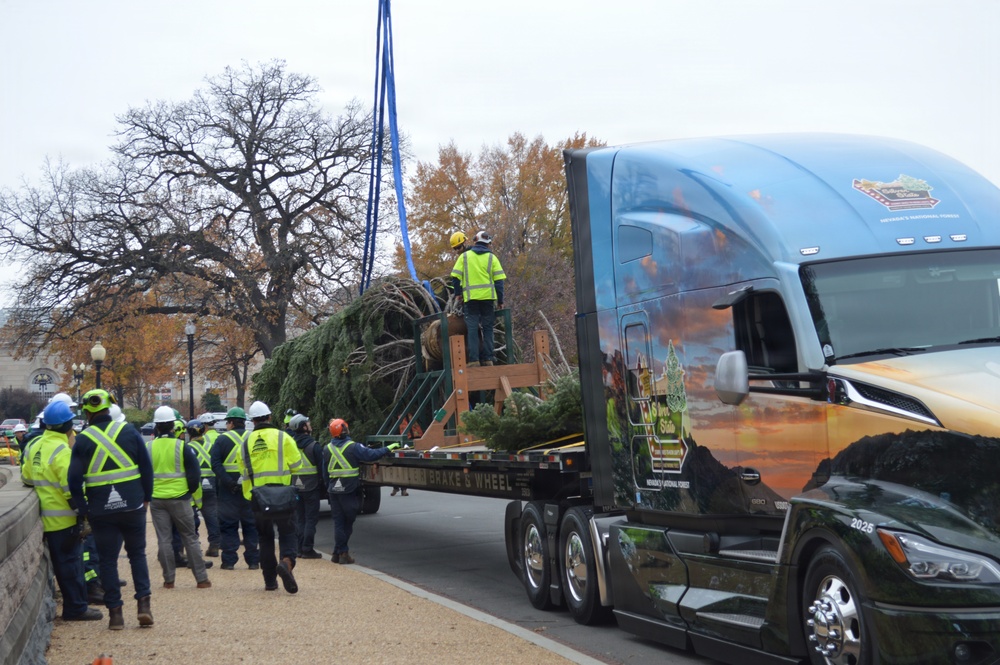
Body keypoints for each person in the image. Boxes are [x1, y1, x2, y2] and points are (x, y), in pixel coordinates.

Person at [68, 388, 154, 630]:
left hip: (101, 509)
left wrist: (84, 508)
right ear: (110, 406)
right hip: (133, 505)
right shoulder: (129, 431)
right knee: (137, 555)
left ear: (87, 411)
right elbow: (146, 468)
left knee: (107, 560)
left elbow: (73, 481)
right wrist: (146, 497)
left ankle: (116, 614)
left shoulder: (82, 439)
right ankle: (144, 605)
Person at [29, 400, 103, 622]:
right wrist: (84, 512)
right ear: (67, 426)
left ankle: (76, 606)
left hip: (46, 518)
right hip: (64, 521)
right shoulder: (62, 451)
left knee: (64, 565)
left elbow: (26, 477)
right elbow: (72, 489)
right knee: (71, 566)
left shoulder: (34, 446)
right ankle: (76, 609)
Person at [239, 401, 301, 593]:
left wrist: (250, 496)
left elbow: (243, 473)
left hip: (259, 498)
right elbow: (297, 465)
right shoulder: (283, 437)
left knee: (265, 538)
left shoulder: (245, 443)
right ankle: (286, 562)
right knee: (288, 533)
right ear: (269, 417)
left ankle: (270, 581)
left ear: (252, 421)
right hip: (283, 496)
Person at [147, 406, 211, 590]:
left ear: (156, 426)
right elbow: (194, 474)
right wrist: (189, 492)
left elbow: (143, 473)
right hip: (181, 498)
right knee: (190, 538)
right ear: (172, 427)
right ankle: (201, 579)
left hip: (157, 499)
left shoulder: (148, 447)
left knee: (164, 539)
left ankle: (169, 580)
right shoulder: (182, 446)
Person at [319, 418, 399, 564]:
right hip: (348, 490)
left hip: (334, 491)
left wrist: (329, 487)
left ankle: (337, 552)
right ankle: (343, 552)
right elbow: (371, 455)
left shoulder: (327, 448)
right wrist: (388, 448)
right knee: (348, 521)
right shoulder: (353, 447)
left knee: (339, 522)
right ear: (344, 430)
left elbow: (325, 473)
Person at [211, 406, 260, 571]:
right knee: (250, 525)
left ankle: (229, 561)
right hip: (249, 489)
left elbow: (215, 464)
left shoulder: (222, 440)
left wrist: (228, 482)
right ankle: (253, 561)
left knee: (228, 526)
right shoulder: (252, 438)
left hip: (228, 490)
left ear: (231, 423)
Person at [450, 230, 506, 367]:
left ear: (475, 241)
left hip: (471, 300)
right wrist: (500, 301)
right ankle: (488, 359)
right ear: (488, 243)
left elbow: (455, 277)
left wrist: (458, 294)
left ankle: (474, 360)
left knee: (472, 329)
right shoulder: (492, 258)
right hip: (488, 300)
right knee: (488, 329)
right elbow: (499, 282)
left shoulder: (464, 257)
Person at [288, 414, 322, 559]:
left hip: (295, 486)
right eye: (308, 423)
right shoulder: (314, 446)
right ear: (303, 427)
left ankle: (298, 549)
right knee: (311, 519)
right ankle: (307, 549)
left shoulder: (290, 445)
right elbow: (321, 468)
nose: (310, 425)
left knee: (299, 519)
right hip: (311, 487)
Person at [188, 418, 221, 557]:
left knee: (191, 516)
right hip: (210, 483)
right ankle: (214, 545)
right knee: (211, 515)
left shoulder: (187, 448)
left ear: (189, 433)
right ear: (203, 431)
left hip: (194, 484)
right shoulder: (211, 446)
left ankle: (195, 548)